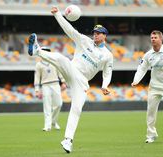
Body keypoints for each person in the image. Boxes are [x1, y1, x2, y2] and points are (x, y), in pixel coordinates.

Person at [28, 6, 113, 153]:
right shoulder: (84, 41)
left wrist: (105, 85)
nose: (95, 35)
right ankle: (37, 50)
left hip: (82, 82)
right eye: (94, 33)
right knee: (62, 58)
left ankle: (68, 140)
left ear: (105, 36)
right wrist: (57, 15)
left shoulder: (107, 55)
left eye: (99, 33)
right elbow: (70, 30)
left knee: (77, 109)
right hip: (72, 70)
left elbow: (107, 72)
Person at [34, 47, 67, 132]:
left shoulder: (54, 62)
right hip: (45, 86)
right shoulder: (39, 65)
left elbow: (60, 73)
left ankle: (53, 121)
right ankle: (47, 126)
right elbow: (37, 78)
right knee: (47, 106)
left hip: (55, 84)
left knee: (59, 104)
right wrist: (37, 90)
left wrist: (63, 82)